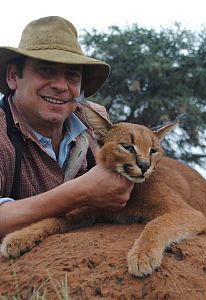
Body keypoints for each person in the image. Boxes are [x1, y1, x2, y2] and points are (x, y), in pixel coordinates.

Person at [0, 16, 134, 237]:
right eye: (46, 70)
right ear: (14, 76)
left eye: (72, 75)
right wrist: (78, 194)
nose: (61, 86)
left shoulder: (96, 121)